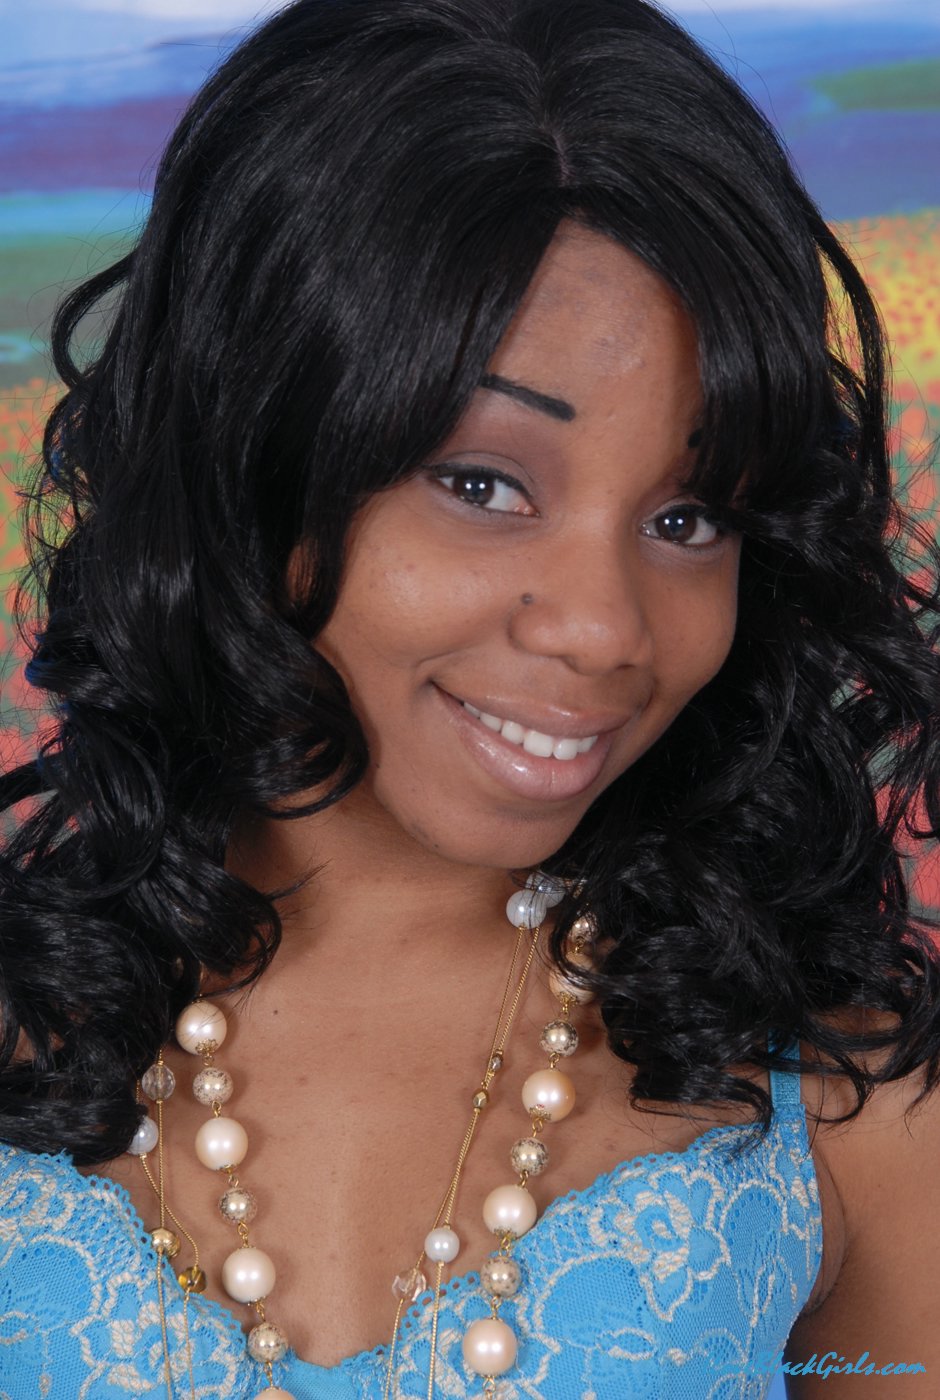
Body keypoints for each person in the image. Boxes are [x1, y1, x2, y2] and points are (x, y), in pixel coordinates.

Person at [0, 0, 938, 1396]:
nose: (604, 630)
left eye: (689, 518)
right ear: (255, 455)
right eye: (484, 484)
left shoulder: (847, 1095)